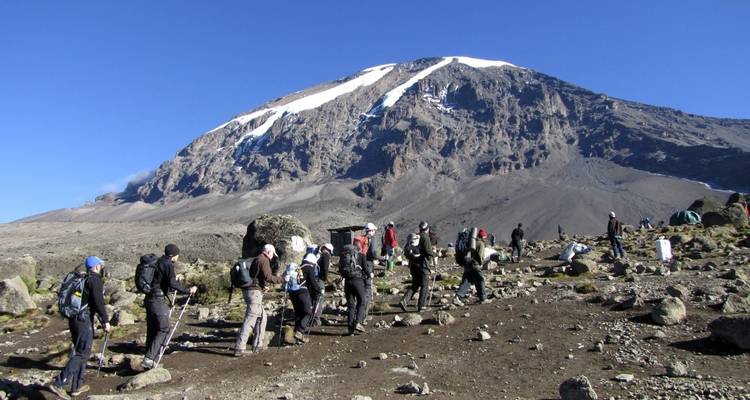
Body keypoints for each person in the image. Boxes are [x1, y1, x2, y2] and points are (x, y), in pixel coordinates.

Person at [47, 256, 110, 399]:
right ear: (96, 266)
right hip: (83, 320)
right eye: (100, 265)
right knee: (82, 353)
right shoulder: (95, 280)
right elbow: (98, 303)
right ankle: (59, 383)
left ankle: (76, 386)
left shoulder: (82, 278)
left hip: (74, 319)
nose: (101, 267)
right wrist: (106, 321)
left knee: (81, 352)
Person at [142, 244, 197, 369]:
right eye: (177, 255)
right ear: (174, 255)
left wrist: (174, 277)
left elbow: (161, 280)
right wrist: (188, 290)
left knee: (153, 329)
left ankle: (149, 357)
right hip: (157, 300)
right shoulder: (168, 264)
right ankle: (149, 359)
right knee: (164, 329)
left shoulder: (159, 261)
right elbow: (172, 284)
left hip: (149, 298)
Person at [234, 244, 286, 357]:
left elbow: (258, 277)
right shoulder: (264, 260)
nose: (273, 256)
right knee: (250, 319)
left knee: (262, 317)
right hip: (254, 293)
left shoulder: (257, 259)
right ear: (268, 252)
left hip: (250, 291)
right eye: (272, 254)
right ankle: (239, 348)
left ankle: (258, 345)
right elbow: (268, 277)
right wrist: (283, 279)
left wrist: (262, 286)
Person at [285, 255, 322, 343]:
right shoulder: (309, 267)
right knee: (308, 312)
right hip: (302, 292)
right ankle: (300, 331)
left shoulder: (299, 267)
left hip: (293, 293)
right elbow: (313, 283)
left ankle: (296, 335)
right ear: (312, 262)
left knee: (299, 313)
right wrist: (319, 291)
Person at [341, 244, 370, 335]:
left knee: (351, 305)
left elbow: (340, 270)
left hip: (347, 282)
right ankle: (358, 322)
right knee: (361, 301)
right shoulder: (361, 256)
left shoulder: (343, 257)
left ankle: (350, 329)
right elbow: (366, 269)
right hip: (358, 281)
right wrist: (369, 275)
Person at [398, 231, 432, 312]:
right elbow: (426, 252)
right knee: (424, 285)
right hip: (422, 267)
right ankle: (422, 306)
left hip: (413, 268)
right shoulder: (418, 247)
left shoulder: (407, 247)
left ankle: (404, 301)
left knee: (415, 285)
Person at [454, 228, 488, 304]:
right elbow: (480, 256)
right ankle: (483, 298)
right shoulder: (480, 243)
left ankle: (457, 297)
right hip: (475, 265)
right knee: (480, 280)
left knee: (466, 282)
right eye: (485, 237)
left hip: (467, 265)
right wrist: (481, 264)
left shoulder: (471, 242)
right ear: (483, 236)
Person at [313, 243, 333, 326]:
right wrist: (325, 279)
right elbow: (325, 269)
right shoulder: (325, 255)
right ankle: (316, 320)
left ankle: (310, 317)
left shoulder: (316, 254)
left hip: (312, 279)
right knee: (319, 299)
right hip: (319, 279)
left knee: (313, 298)